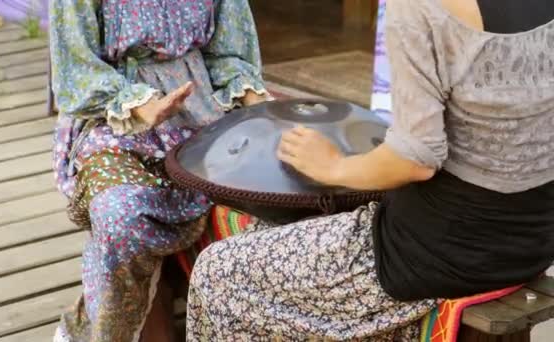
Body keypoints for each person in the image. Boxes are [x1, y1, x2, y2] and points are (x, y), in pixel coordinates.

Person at [186, 0, 554, 340]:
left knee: (219, 271)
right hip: (533, 243)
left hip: (437, 255)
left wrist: (333, 165)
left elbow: (415, 161)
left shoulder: (418, 6)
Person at [48, 0, 270, 341]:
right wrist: (138, 106)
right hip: (114, 122)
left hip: (202, 111)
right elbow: (76, 70)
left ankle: (174, 295)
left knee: (268, 201)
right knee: (119, 213)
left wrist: (260, 103)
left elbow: (229, 53)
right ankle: (117, 328)